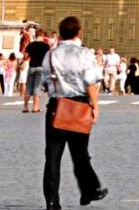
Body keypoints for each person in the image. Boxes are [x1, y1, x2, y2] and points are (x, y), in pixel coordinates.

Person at [41, 15, 107, 210]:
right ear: (78, 32)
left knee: (52, 157)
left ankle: (52, 201)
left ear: (60, 34)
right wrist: (95, 106)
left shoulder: (51, 55)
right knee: (80, 153)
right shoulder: (84, 54)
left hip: (57, 106)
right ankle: (88, 191)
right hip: (79, 105)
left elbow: (45, 83)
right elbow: (91, 81)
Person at [25, 29, 51, 114]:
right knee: (37, 87)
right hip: (41, 67)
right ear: (42, 35)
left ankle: (25, 107)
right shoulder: (46, 46)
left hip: (32, 67)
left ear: (35, 35)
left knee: (28, 87)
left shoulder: (31, 44)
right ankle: (35, 107)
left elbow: (25, 56)